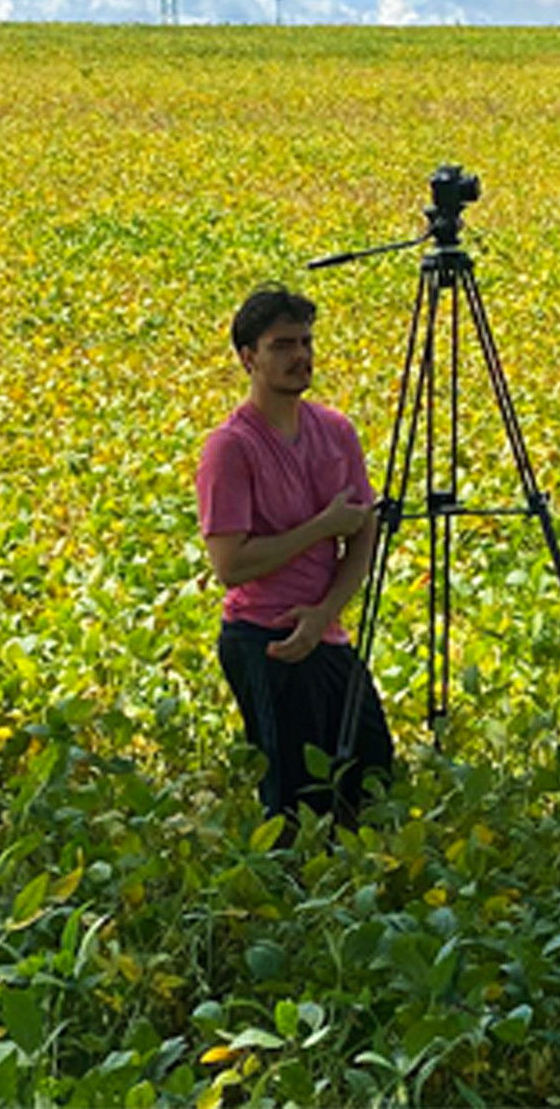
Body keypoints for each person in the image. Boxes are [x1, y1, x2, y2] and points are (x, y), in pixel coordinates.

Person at [196, 285, 393, 825]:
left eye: (305, 342)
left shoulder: (335, 430)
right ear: (248, 357)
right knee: (296, 802)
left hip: (325, 631)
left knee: (372, 777)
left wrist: (323, 614)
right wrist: (321, 527)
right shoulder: (230, 448)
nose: (299, 356)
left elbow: (364, 531)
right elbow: (230, 565)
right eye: (282, 345)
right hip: (264, 640)